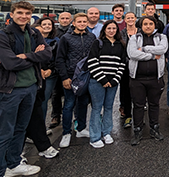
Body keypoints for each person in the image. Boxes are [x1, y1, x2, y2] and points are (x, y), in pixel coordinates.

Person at [0, 1, 51, 177]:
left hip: (31, 87)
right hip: (9, 90)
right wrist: (34, 56)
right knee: (3, 133)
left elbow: (48, 54)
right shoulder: (0, 36)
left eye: (27, 14)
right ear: (12, 14)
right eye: (20, 13)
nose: (23, 16)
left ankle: (13, 163)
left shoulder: (34, 33)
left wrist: (24, 56)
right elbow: (9, 63)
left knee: (21, 128)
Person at [56, 13, 96, 148]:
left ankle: (81, 128)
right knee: (69, 104)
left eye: (84, 21)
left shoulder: (92, 37)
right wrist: (64, 77)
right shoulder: (65, 38)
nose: (82, 24)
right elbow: (60, 59)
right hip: (71, 76)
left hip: (86, 75)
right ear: (74, 23)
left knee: (83, 103)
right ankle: (66, 133)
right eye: (79, 21)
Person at [127, 16, 168, 146]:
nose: (148, 26)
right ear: (141, 25)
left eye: (151, 24)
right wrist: (152, 56)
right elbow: (132, 54)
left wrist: (143, 49)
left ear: (155, 25)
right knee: (138, 105)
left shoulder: (162, 37)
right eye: (145, 24)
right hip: (137, 79)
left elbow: (162, 50)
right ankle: (137, 130)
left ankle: (154, 128)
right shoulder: (135, 38)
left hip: (155, 78)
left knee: (154, 104)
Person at [87, 20, 126, 148]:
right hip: (97, 81)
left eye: (114, 28)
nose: (111, 31)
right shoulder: (97, 43)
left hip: (113, 82)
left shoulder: (121, 45)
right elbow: (92, 62)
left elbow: (122, 63)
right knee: (97, 108)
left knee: (108, 107)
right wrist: (103, 80)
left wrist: (115, 80)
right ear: (104, 30)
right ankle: (95, 137)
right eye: (109, 28)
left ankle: (107, 132)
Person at [25, 19, 60, 160]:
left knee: (39, 109)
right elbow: (20, 59)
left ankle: (42, 138)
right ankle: (17, 153)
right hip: (27, 80)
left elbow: (50, 56)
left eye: (48, 25)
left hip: (44, 79)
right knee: (24, 114)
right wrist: (34, 55)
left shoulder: (52, 42)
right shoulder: (26, 41)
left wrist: (49, 69)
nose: (45, 28)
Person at [49, 11, 72, 129]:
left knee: (70, 94)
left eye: (67, 18)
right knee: (56, 93)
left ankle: (68, 116)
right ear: (59, 19)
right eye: (62, 18)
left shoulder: (73, 30)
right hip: (55, 66)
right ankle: (56, 115)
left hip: (69, 67)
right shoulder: (54, 32)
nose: (65, 20)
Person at [119, 12, 138, 128]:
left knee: (138, 91)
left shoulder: (141, 32)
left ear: (135, 19)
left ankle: (138, 116)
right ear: (125, 20)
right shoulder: (121, 33)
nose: (130, 19)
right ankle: (128, 115)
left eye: (132, 17)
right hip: (125, 65)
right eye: (128, 18)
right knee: (125, 90)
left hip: (138, 65)